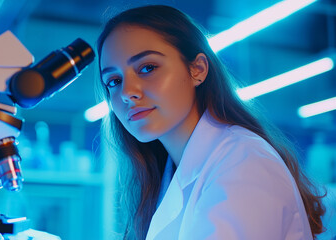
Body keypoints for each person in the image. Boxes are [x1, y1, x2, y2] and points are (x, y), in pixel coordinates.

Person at [96, 5, 326, 240]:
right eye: (113, 81)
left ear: (198, 69)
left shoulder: (243, 162)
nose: (127, 92)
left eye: (147, 67)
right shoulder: (171, 172)